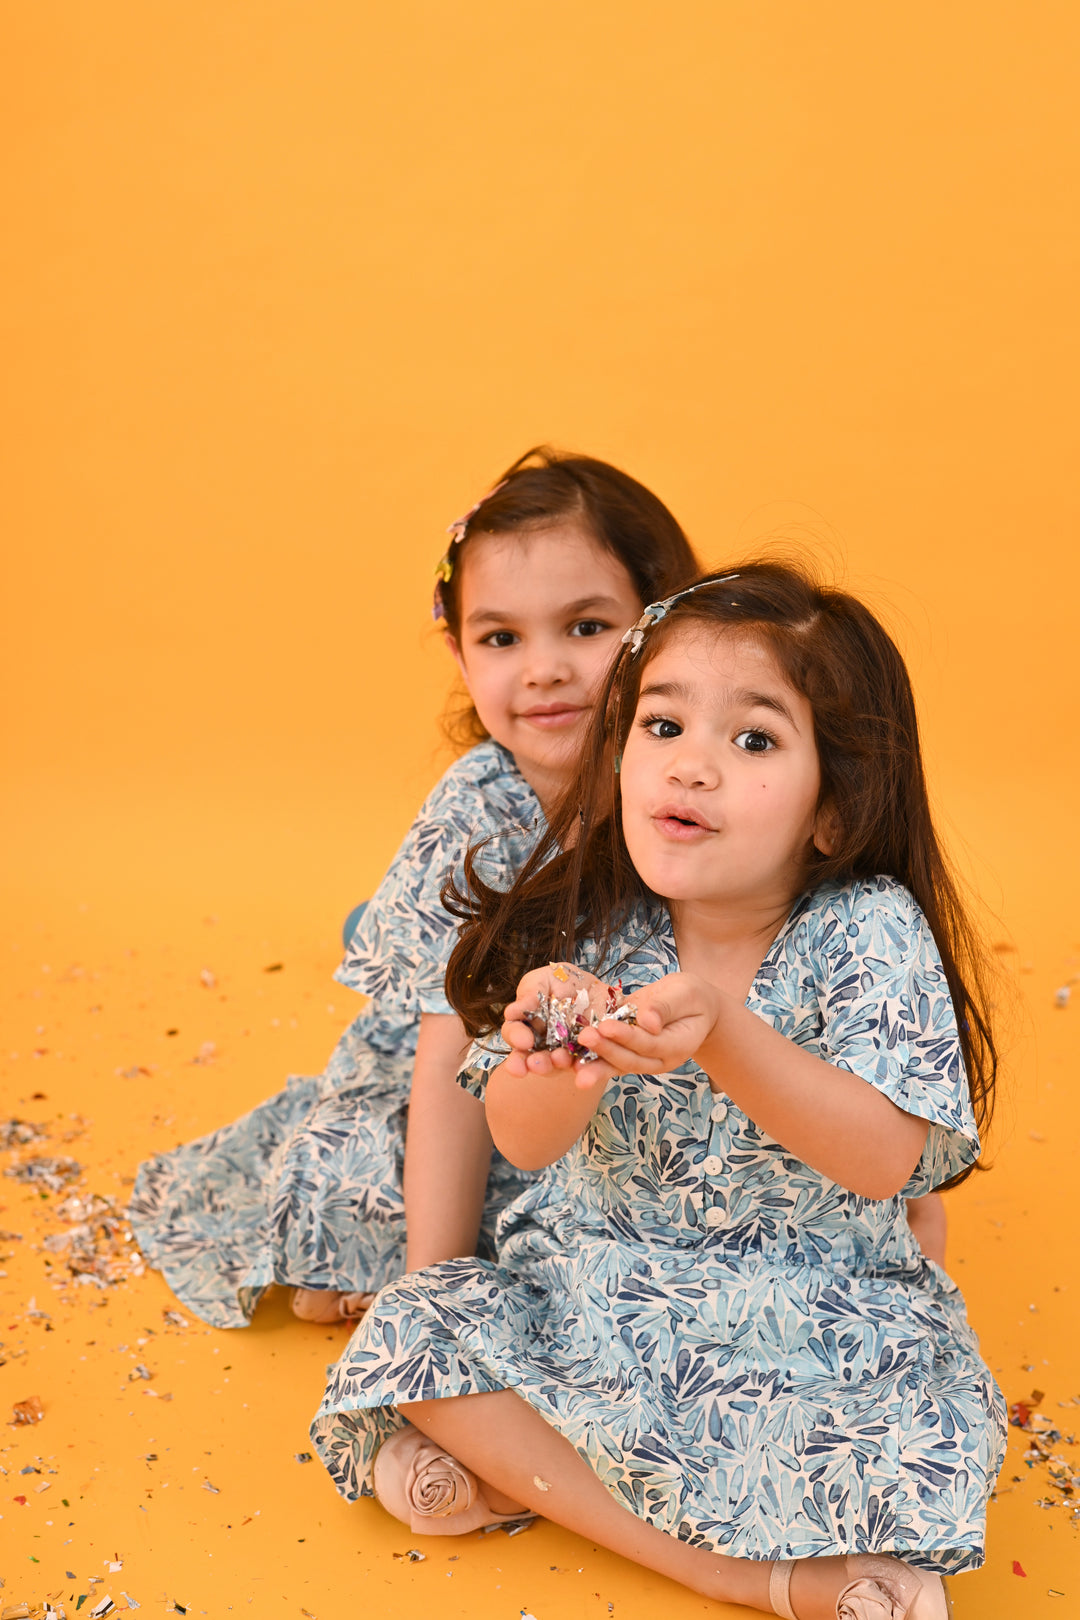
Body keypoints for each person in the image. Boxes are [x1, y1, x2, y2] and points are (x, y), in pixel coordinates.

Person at [310, 563, 1006, 1619]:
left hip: (808, 1319)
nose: (692, 770)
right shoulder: (591, 920)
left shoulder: (864, 929)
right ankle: (758, 1578)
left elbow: (884, 1158)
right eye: (663, 729)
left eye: (755, 741)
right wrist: (550, 1068)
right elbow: (527, 1145)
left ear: (834, 809)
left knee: (916, 1432)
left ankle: (528, 1487)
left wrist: (727, 1035)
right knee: (419, 1325)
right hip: (599, 1297)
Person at [128, 448, 700, 1328]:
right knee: (381, 1171)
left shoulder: (690, 784)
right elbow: (447, 1065)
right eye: (501, 638)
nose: (542, 668)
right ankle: (378, 1278)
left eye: (586, 628)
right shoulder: (476, 815)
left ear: (666, 626)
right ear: (459, 652)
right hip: (480, 1083)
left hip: (615, 1083)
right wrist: (429, 1298)